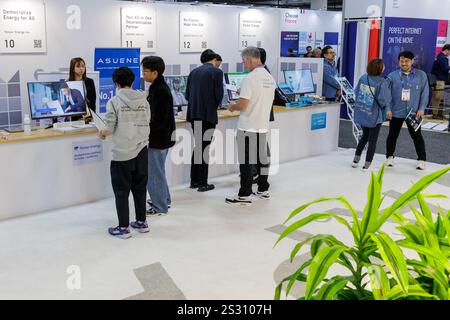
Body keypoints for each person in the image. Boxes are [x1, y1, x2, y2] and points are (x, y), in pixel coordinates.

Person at [99, 67, 151, 239]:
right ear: (132, 81)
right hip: (142, 149)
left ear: (116, 83)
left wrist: (101, 132)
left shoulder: (114, 101)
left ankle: (123, 227)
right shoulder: (144, 100)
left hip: (122, 153)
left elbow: (109, 128)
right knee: (140, 187)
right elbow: (148, 120)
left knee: (121, 191)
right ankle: (141, 222)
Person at [225, 47, 276, 206]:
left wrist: (233, 106)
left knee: (246, 161)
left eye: (244, 61)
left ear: (250, 59)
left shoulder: (250, 78)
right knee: (262, 159)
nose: (244, 64)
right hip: (262, 125)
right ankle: (263, 189)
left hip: (247, 126)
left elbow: (243, 105)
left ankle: (245, 193)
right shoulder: (269, 77)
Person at [141, 56, 176, 216]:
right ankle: (163, 199)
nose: (143, 74)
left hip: (158, 138)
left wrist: (145, 130)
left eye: (145, 71)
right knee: (158, 171)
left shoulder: (159, 90)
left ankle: (159, 206)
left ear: (155, 72)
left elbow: (158, 119)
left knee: (154, 173)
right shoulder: (158, 86)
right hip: (164, 137)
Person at [185, 49, 224, 192]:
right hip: (208, 115)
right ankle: (203, 183)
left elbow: (187, 95)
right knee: (204, 148)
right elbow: (219, 95)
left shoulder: (193, 72)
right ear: (214, 59)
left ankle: (194, 181)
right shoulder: (216, 72)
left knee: (199, 146)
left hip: (194, 114)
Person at [385, 51, 429, 171]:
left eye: (407, 61)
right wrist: (388, 109)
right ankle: (389, 157)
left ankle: (421, 160)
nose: (404, 63)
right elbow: (386, 94)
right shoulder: (392, 76)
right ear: (399, 61)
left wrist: (421, 108)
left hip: (413, 112)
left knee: (417, 136)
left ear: (412, 61)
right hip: (396, 111)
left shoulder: (421, 75)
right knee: (392, 135)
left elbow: (425, 93)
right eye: (401, 61)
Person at [351, 59, 389, 171]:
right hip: (374, 116)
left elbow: (356, 92)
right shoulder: (382, 82)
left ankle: (355, 160)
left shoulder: (363, 77)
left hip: (363, 112)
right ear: (380, 68)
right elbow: (383, 101)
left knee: (364, 137)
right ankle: (367, 165)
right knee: (373, 140)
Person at [430, 44, 450, 120]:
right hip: (439, 81)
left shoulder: (440, 57)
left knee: (436, 98)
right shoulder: (442, 58)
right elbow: (445, 68)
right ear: (447, 50)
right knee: (437, 98)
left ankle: (436, 114)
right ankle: (435, 114)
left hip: (439, 80)